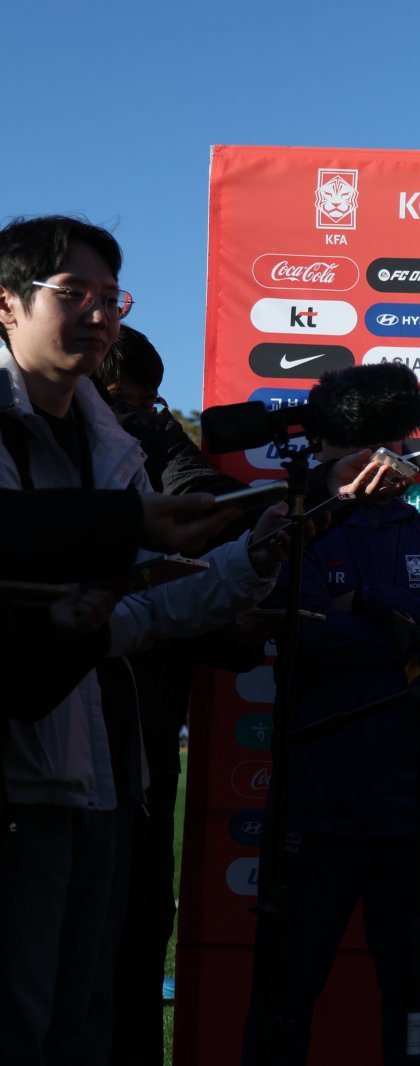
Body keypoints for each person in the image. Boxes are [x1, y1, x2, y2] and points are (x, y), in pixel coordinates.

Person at [0, 214, 287, 1066]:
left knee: (87, 1021)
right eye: (72, 294)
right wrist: (119, 531)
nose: (97, 315)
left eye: (110, 299)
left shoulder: (117, 447)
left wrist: (260, 551)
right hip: (17, 787)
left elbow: (131, 624)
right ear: (7, 305)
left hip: (104, 781)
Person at [241, 362, 420, 1065]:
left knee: (416, 1003)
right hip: (313, 813)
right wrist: (408, 635)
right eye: (376, 440)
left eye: (399, 439)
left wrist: (377, 609)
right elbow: (307, 630)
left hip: (417, 813)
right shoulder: (301, 530)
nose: (394, 456)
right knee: (282, 1001)